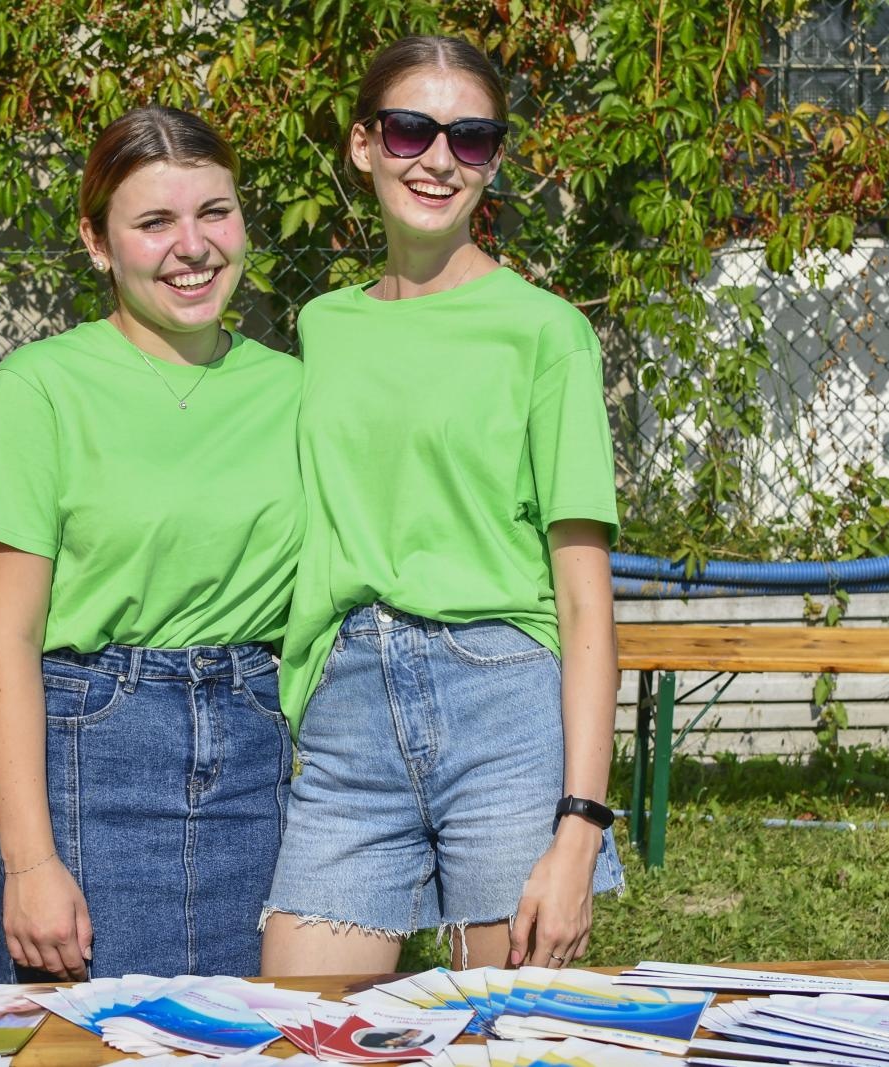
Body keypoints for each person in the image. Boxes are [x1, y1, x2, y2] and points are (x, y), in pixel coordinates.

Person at [260, 35, 625, 976]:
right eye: (411, 129)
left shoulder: (548, 334)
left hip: (501, 702)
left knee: (517, 1033)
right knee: (306, 1029)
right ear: (361, 144)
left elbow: (586, 602)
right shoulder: (323, 327)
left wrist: (580, 824)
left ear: (492, 160)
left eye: (469, 138)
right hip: (345, 709)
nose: (436, 158)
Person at [0, 106, 303, 981]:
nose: (193, 247)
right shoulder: (40, 391)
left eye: (214, 213)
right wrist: (30, 863)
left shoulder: (300, 391)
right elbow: (9, 643)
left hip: (268, 754)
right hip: (97, 754)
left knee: (261, 1031)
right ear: (98, 243)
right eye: (154, 222)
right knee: (94, 1031)